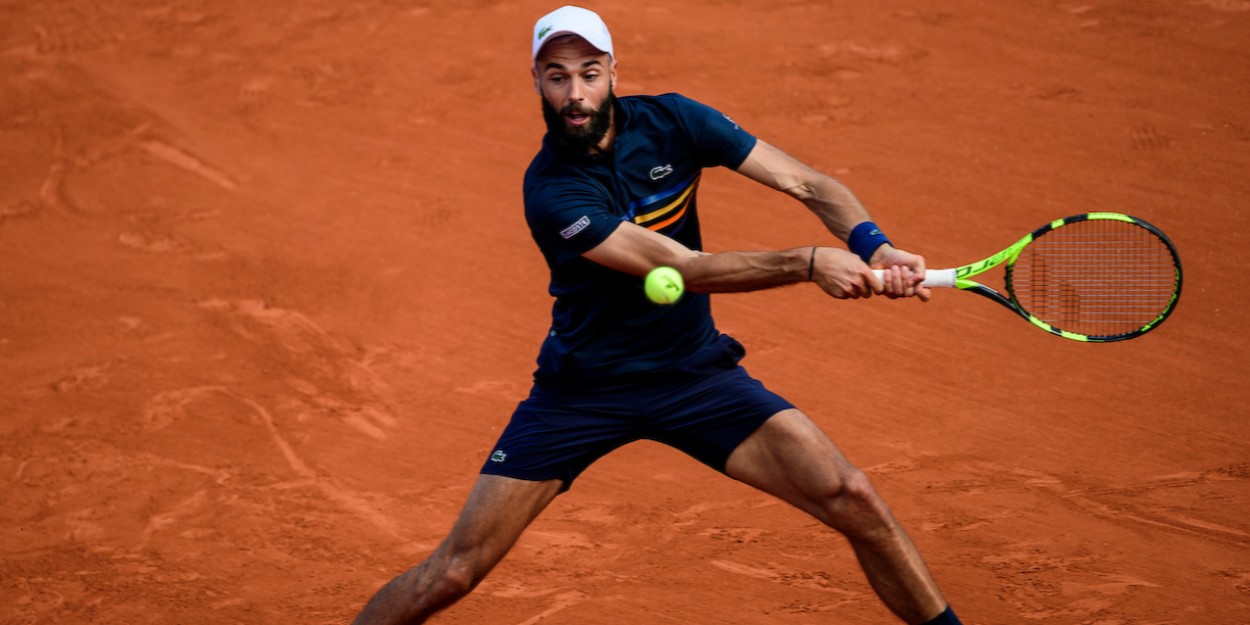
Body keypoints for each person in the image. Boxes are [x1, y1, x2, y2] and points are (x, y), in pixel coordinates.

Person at [351, 6, 964, 625]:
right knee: (454, 572)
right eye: (557, 76)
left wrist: (872, 244)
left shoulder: (675, 120)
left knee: (852, 496)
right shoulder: (553, 191)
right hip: (584, 392)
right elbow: (684, 268)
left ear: (615, 72)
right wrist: (807, 262)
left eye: (589, 73)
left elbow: (804, 182)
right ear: (536, 82)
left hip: (694, 376)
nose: (575, 95)